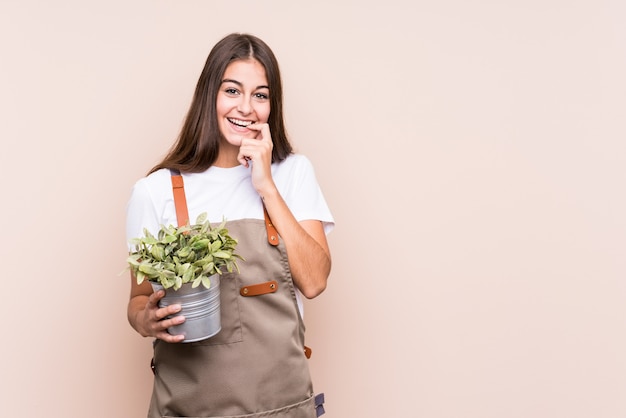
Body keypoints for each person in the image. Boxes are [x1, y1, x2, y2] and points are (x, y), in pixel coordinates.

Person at [125, 33, 333, 418]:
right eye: (233, 90)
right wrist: (146, 319)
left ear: (272, 105)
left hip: (282, 407)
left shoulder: (293, 174)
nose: (247, 107)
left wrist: (267, 187)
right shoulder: (155, 192)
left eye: (261, 95)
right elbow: (137, 302)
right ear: (210, 96)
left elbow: (315, 281)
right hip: (186, 409)